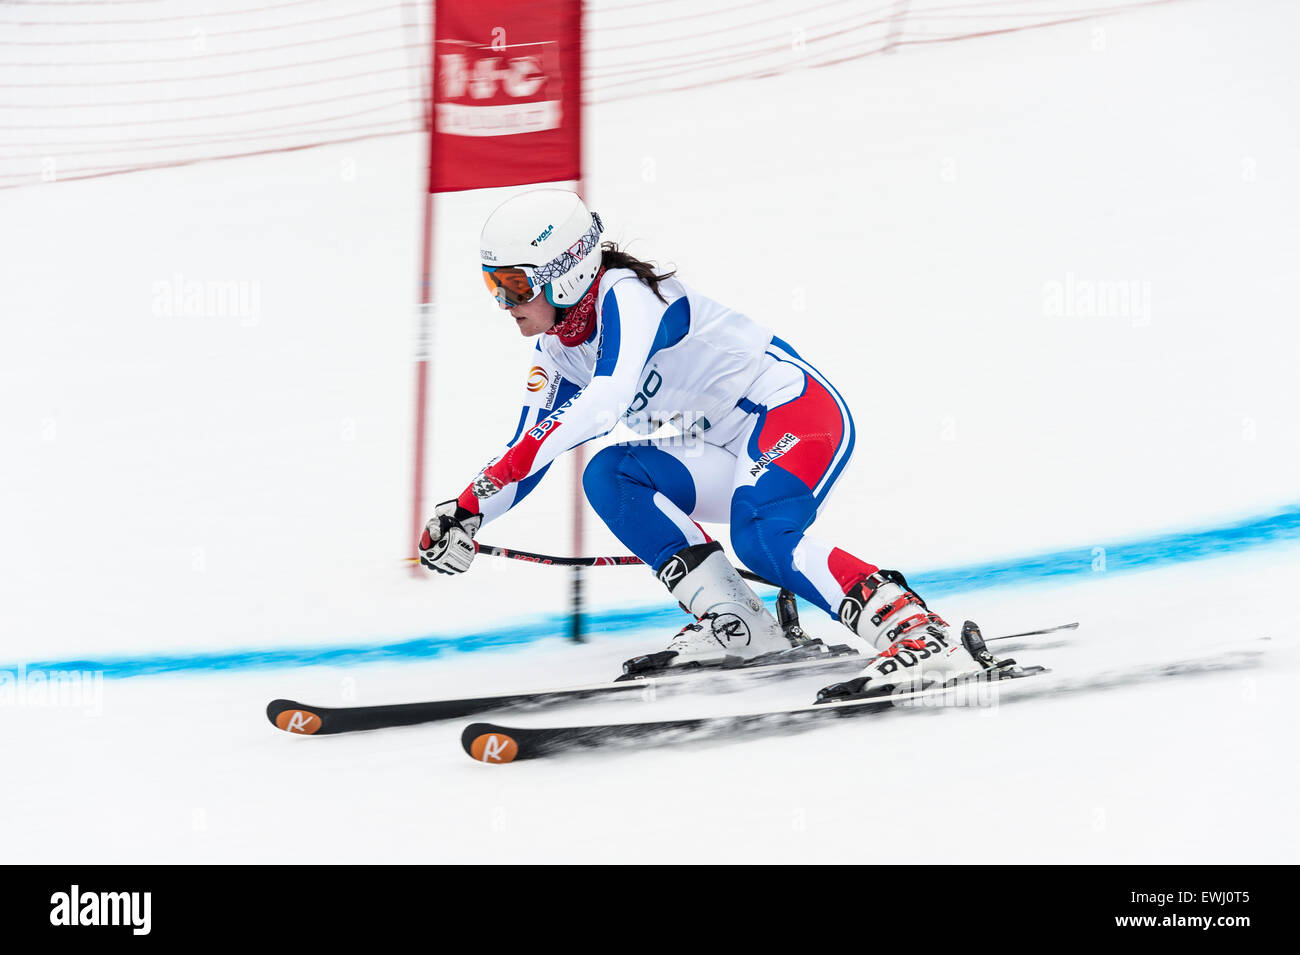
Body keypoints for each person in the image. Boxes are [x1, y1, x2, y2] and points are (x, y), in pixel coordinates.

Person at [418, 189, 982, 699]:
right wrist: (465, 513)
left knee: (759, 535)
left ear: (564, 273)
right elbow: (528, 450)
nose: (503, 301)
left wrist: (475, 498)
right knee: (611, 475)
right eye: (493, 284)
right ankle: (741, 626)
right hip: (726, 447)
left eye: (513, 283)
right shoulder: (556, 350)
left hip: (793, 413)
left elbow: (606, 401)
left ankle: (920, 634)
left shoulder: (628, 296)